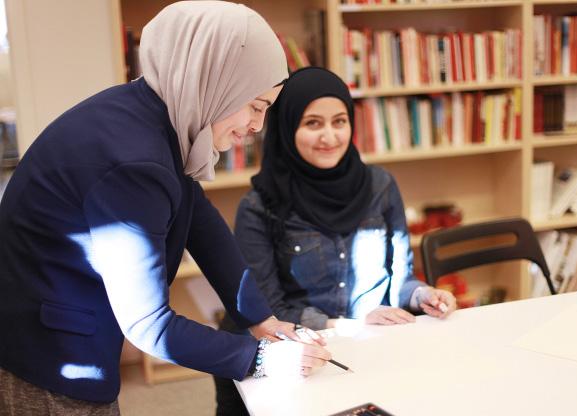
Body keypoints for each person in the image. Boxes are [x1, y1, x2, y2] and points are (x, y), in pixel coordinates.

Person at [0, 2, 330, 415]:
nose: (257, 126)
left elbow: (200, 220)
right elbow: (149, 324)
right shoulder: (135, 160)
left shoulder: (155, 114)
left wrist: (261, 319)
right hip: (46, 358)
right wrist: (260, 358)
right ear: (216, 82)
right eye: (256, 106)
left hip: (56, 322)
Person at [214, 66, 457, 415]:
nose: (330, 136)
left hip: (377, 352)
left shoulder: (380, 186)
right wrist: (350, 325)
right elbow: (269, 312)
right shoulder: (259, 206)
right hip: (301, 358)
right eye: (313, 123)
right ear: (287, 128)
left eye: (339, 121)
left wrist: (422, 295)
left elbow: (401, 279)